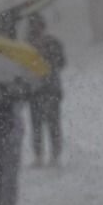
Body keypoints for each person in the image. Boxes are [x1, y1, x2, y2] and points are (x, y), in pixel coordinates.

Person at [25, 12, 66, 166]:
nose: (36, 32)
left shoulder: (53, 43)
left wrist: (45, 56)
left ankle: (55, 155)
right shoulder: (26, 47)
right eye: (33, 29)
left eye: (38, 28)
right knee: (36, 124)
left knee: (53, 123)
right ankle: (39, 155)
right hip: (35, 91)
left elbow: (61, 63)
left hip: (51, 89)